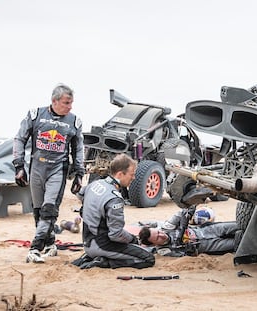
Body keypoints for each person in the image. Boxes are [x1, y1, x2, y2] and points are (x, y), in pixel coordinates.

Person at [12, 83, 85, 263]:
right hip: (37, 168)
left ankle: (35, 249)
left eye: (72, 103)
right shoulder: (35, 115)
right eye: (67, 103)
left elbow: (79, 149)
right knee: (38, 211)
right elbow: (19, 139)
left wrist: (79, 173)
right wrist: (18, 166)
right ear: (55, 101)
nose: (70, 107)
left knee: (49, 210)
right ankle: (50, 244)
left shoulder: (74, 121)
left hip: (58, 170)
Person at [74, 154, 155, 269]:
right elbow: (116, 235)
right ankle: (104, 262)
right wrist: (133, 239)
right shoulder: (114, 198)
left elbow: (80, 194)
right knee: (148, 259)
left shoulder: (95, 184)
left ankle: (90, 257)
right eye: (131, 175)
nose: (134, 178)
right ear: (120, 174)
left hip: (88, 242)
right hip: (102, 245)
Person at [138, 209, 238, 257]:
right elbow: (182, 256)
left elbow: (183, 213)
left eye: (158, 232)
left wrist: (182, 228)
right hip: (209, 246)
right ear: (154, 244)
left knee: (239, 225)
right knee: (239, 242)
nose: (162, 235)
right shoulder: (164, 250)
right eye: (157, 238)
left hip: (208, 230)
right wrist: (189, 251)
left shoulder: (167, 227)